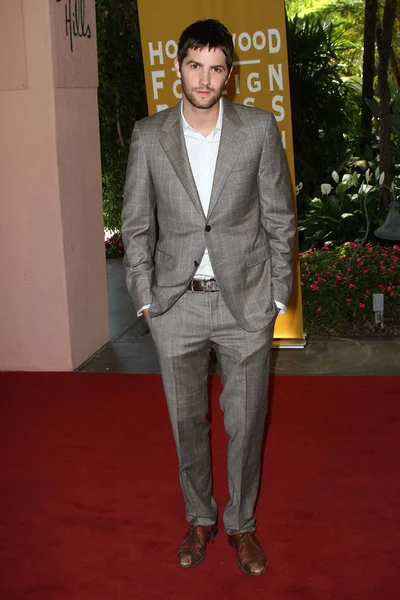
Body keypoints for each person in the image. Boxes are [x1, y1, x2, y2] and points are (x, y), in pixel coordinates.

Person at [122, 19, 295, 576]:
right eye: (195, 65)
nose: (205, 78)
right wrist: (146, 299)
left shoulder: (258, 130)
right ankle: (200, 518)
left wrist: (276, 295)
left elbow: (278, 218)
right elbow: (135, 225)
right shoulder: (149, 135)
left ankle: (242, 527)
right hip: (175, 306)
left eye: (216, 67)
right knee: (186, 422)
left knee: (247, 423)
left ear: (229, 74)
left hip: (245, 305)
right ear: (178, 68)